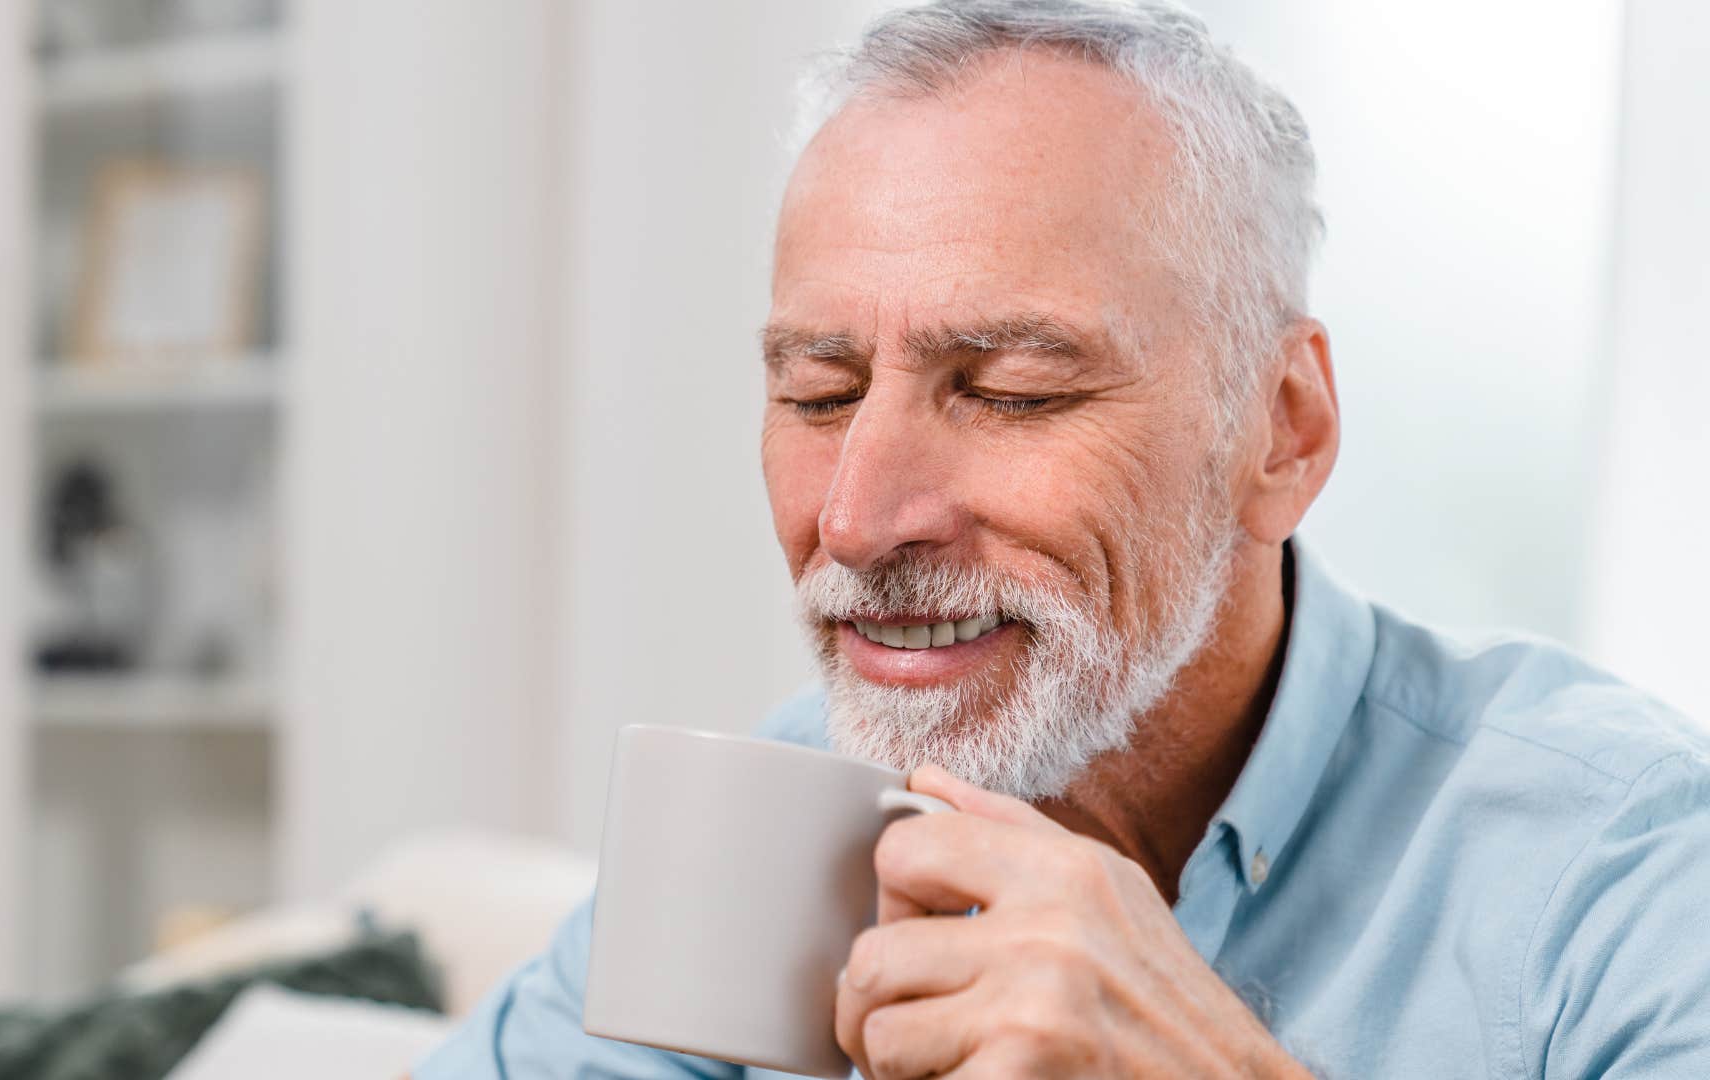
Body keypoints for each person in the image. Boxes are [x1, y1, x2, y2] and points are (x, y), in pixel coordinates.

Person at [417, 1, 1710, 1076]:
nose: (857, 521)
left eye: (1014, 392)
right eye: (818, 394)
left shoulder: (1620, 863)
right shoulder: (773, 823)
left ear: (1285, 431)